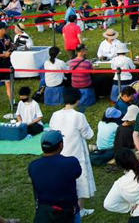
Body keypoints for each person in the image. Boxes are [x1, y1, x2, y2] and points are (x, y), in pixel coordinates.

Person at [48, 88, 96, 217]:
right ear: (78, 100)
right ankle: (80, 210)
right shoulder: (78, 116)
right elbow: (88, 134)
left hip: (60, 151)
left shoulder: (55, 115)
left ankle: (65, 206)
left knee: (63, 180)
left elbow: (52, 131)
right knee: (79, 180)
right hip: (76, 152)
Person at [28, 130, 82, 222]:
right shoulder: (71, 162)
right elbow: (77, 174)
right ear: (61, 145)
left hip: (44, 214)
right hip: (68, 214)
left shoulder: (33, 165)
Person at [68, 44, 95, 109]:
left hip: (74, 84)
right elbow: (92, 72)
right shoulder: (87, 62)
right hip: (85, 84)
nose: (87, 51)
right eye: (86, 50)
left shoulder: (71, 62)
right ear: (83, 51)